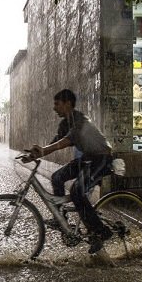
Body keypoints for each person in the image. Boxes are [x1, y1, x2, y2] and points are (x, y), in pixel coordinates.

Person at [27, 89, 113, 254]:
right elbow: (56, 142)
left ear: (67, 104)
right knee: (57, 177)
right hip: (87, 158)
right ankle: (61, 219)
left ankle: (101, 232)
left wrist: (43, 150)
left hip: (101, 158)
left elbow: (66, 141)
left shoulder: (80, 120)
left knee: (76, 191)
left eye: (57, 104)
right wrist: (33, 155)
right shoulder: (65, 123)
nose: (54, 108)